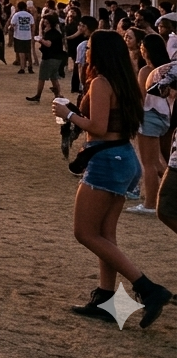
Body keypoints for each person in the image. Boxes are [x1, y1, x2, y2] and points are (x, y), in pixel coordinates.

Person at [51, 30, 172, 327]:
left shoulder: (102, 82)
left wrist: (67, 114)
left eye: (90, 48)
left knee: (85, 232)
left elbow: (99, 126)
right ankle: (106, 300)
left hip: (107, 159)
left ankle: (147, 288)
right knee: (105, 235)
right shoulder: (124, 80)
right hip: (122, 156)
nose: (87, 52)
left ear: (100, 52)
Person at [131, 37, 173, 215]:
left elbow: (141, 97)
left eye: (142, 47)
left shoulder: (146, 71)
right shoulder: (168, 69)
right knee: (157, 161)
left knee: (148, 163)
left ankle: (149, 203)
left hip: (149, 115)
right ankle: (169, 194)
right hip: (165, 116)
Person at [27, 14, 67, 102]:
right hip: (57, 58)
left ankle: (38, 95)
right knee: (54, 77)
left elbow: (48, 44)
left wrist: (40, 40)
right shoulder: (56, 32)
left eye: (45, 20)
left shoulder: (51, 33)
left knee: (42, 78)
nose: (44, 21)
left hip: (50, 58)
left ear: (49, 22)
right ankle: (58, 95)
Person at [9, 2, 35, 74]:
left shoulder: (16, 15)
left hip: (19, 36)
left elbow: (12, 24)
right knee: (28, 52)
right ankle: (30, 66)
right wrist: (32, 35)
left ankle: (22, 67)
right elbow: (32, 25)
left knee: (21, 52)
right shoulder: (29, 15)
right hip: (27, 36)